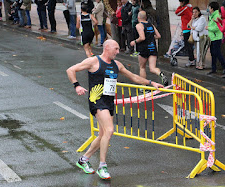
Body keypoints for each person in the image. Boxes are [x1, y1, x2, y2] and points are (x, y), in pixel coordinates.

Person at [66, 39, 164, 179]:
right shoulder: (94, 61)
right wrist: (77, 85)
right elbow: (70, 70)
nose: (118, 52)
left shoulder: (117, 65)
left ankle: (84, 159)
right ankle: (102, 166)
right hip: (96, 100)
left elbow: (134, 77)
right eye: (116, 49)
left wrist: (151, 82)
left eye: (118, 49)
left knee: (102, 135)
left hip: (108, 102)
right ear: (107, 48)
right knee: (110, 130)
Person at [130, 11, 168, 87]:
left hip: (144, 48)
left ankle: (143, 86)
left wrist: (134, 41)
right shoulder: (151, 25)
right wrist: (150, 37)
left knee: (142, 67)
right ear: (146, 17)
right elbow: (158, 36)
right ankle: (161, 74)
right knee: (152, 68)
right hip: (152, 47)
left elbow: (142, 37)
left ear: (138, 18)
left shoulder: (139, 25)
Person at [206, 1, 225, 75]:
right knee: (213, 53)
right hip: (212, 37)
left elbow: (216, 28)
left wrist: (208, 28)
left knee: (217, 53)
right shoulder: (211, 15)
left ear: (212, 8)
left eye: (209, 7)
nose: (208, 9)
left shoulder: (216, 16)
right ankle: (213, 68)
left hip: (216, 37)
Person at [175, 0, 195, 67]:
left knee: (188, 46)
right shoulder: (190, 7)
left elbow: (177, 13)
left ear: (183, 2)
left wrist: (180, 6)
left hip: (187, 29)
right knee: (189, 46)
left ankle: (191, 60)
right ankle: (192, 59)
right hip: (188, 29)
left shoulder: (185, 8)